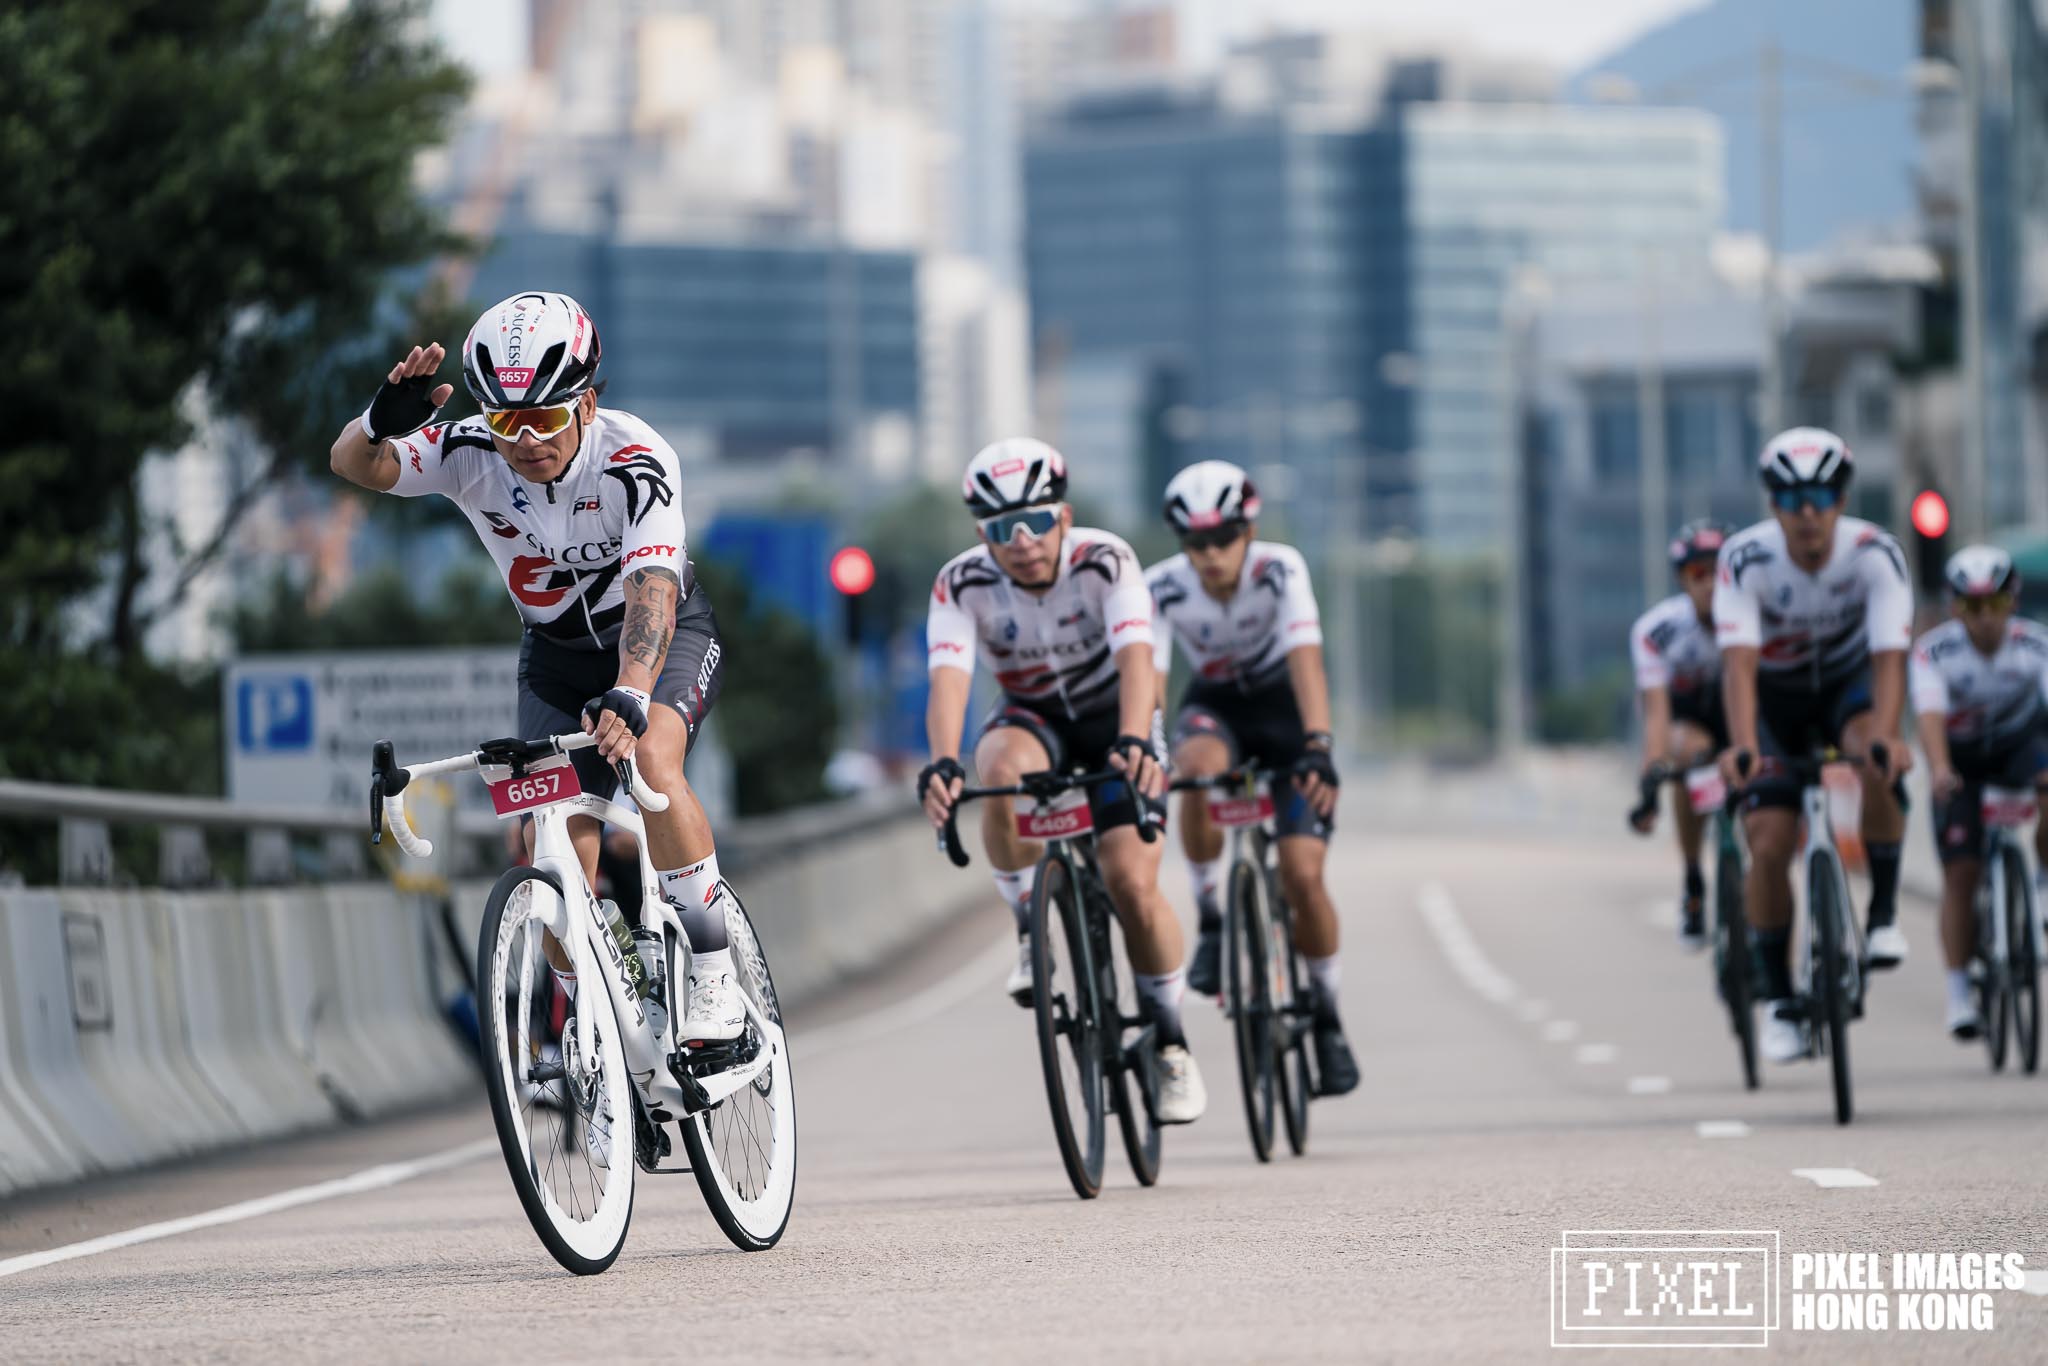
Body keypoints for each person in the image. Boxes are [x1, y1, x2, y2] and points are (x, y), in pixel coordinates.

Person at [328, 291, 743, 1051]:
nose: (524, 440)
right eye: (505, 420)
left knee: (652, 760)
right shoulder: (471, 451)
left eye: (544, 419)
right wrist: (376, 423)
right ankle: (603, 1016)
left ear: (586, 405)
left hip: (658, 639)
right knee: (548, 846)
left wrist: (632, 691)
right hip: (554, 659)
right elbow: (356, 465)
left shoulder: (636, 458)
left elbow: (652, 588)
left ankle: (716, 978)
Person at [917, 438, 1206, 1124]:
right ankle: (1029, 929)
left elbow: (1139, 661)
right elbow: (949, 681)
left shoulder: (1106, 560)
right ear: (980, 535)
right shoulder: (960, 582)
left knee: (1132, 884)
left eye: (1038, 522)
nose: (1021, 542)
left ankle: (1170, 1040)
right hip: (1032, 716)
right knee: (998, 770)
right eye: (999, 531)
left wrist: (1136, 739)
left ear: (1065, 516)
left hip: (1115, 715)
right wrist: (942, 762)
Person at [1144, 461, 1357, 1096]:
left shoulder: (1279, 568)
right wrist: (1150, 753)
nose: (1210, 556)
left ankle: (1326, 1013)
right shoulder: (1162, 587)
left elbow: (1306, 661)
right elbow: (1151, 681)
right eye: (1195, 544)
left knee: (1303, 877)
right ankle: (1212, 915)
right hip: (1216, 707)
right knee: (1196, 772)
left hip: (1283, 709)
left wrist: (1318, 745)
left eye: (1224, 539)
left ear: (1249, 530)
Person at [1714, 427, 1913, 1065]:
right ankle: (1777, 998)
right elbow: (1739, 665)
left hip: (1847, 693)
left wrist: (1886, 734)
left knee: (1877, 756)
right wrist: (1743, 745)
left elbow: (1889, 658)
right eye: (1793, 497)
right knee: (1769, 842)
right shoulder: (1746, 559)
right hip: (1773, 703)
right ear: (1772, 502)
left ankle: (1881, 915)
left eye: (1823, 495)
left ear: (1842, 497)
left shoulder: (1875, 552)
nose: (1808, 512)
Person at [1910, 545, 2048, 1040]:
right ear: (1954, 607)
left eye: (1993, 605)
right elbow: (1929, 719)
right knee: (1961, 876)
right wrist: (1941, 769)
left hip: (2017, 747)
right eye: (1971, 607)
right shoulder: (1934, 652)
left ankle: (2043, 882)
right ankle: (1958, 994)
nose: (1983, 619)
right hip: (1961, 758)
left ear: (2012, 602)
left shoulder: (2036, 646)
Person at [1627, 520, 1733, 950]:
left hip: (1742, 712)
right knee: (1689, 759)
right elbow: (1656, 714)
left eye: (1717, 572)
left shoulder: (1756, 617)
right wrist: (1651, 779)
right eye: (1697, 574)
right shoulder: (1657, 630)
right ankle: (1693, 881)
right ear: (1682, 580)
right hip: (1690, 721)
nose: (1709, 585)